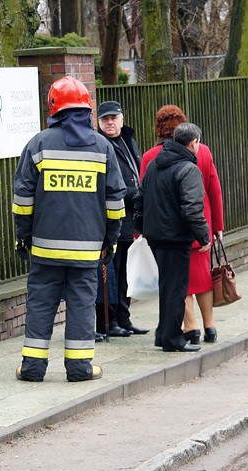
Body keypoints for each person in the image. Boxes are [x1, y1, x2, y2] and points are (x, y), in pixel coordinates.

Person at [12, 76, 126, 382]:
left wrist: (24, 236)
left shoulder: (38, 145)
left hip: (44, 248)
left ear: (53, 107)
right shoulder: (103, 147)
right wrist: (110, 241)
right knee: (81, 306)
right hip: (88, 249)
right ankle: (79, 369)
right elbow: (115, 202)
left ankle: (33, 368)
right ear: (87, 108)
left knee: (40, 305)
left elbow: (22, 200)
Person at [140, 105, 224, 345]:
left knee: (179, 281)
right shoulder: (204, 152)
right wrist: (216, 225)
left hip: (171, 228)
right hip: (200, 225)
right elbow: (214, 189)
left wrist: (140, 229)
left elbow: (144, 195)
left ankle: (191, 327)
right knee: (203, 277)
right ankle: (210, 326)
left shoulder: (151, 157)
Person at [95, 100, 149, 337]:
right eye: (105, 119)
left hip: (130, 219)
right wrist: (134, 194)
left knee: (126, 273)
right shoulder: (99, 145)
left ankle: (124, 319)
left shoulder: (128, 140)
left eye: (113, 118)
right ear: (97, 122)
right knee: (111, 274)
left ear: (121, 119)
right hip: (112, 220)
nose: (110, 122)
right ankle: (110, 321)